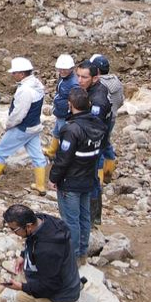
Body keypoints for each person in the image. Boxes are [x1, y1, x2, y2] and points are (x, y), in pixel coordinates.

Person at [48, 87, 106, 265]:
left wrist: (53, 178)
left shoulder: (71, 129)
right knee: (84, 217)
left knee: (71, 220)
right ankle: (82, 253)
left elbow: (63, 159)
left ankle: (71, 257)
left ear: (70, 105)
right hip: (88, 178)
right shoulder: (98, 124)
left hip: (71, 181)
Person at [0, 57, 47, 193]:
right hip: (34, 126)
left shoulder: (25, 91)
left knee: (0, 152)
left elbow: (19, 114)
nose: (12, 75)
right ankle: (40, 185)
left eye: (14, 72)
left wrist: (8, 125)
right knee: (37, 155)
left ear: (22, 74)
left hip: (22, 128)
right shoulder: (37, 84)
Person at [75, 59, 115, 226]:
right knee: (89, 178)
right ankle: (90, 215)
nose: (79, 80)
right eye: (78, 76)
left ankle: (92, 217)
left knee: (91, 178)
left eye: (84, 77)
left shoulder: (97, 99)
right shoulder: (90, 90)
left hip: (93, 145)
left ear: (95, 78)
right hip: (92, 142)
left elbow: (95, 127)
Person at [90, 53, 123, 186]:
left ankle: (99, 180)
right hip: (112, 117)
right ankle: (109, 172)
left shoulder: (100, 85)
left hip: (102, 119)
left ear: (97, 71)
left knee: (98, 148)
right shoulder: (116, 81)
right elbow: (121, 100)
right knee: (106, 142)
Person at [47, 53, 77, 156]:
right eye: (60, 69)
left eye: (65, 69)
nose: (62, 71)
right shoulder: (63, 77)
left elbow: (75, 101)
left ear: (71, 68)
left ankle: (64, 156)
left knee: (64, 136)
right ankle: (52, 151)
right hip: (60, 112)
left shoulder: (73, 83)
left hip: (65, 115)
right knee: (56, 132)